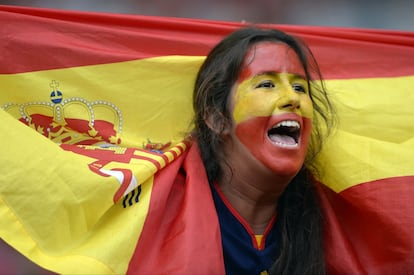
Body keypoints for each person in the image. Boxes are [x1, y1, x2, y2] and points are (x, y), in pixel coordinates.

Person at [191, 26, 335, 274]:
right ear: (216, 118)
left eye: (300, 88)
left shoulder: (336, 223)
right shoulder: (163, 213)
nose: (293, 98)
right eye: (267, 84)